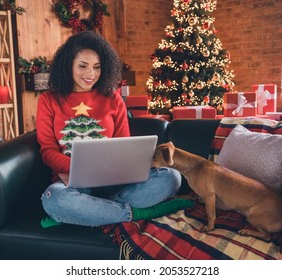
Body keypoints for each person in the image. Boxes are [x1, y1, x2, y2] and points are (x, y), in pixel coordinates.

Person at [36, 31, 193, 227]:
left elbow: (123, 146)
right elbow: (47, 151)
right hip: (73, 184)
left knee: (171, 177)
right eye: (82, 66)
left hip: (114, 182)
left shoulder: (112, 98)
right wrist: (78, 170)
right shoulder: (49, 100)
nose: (90, 74)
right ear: (68, 65)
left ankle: (88, 212)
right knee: (54, 198)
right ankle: (135, 213)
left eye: (96, 67)